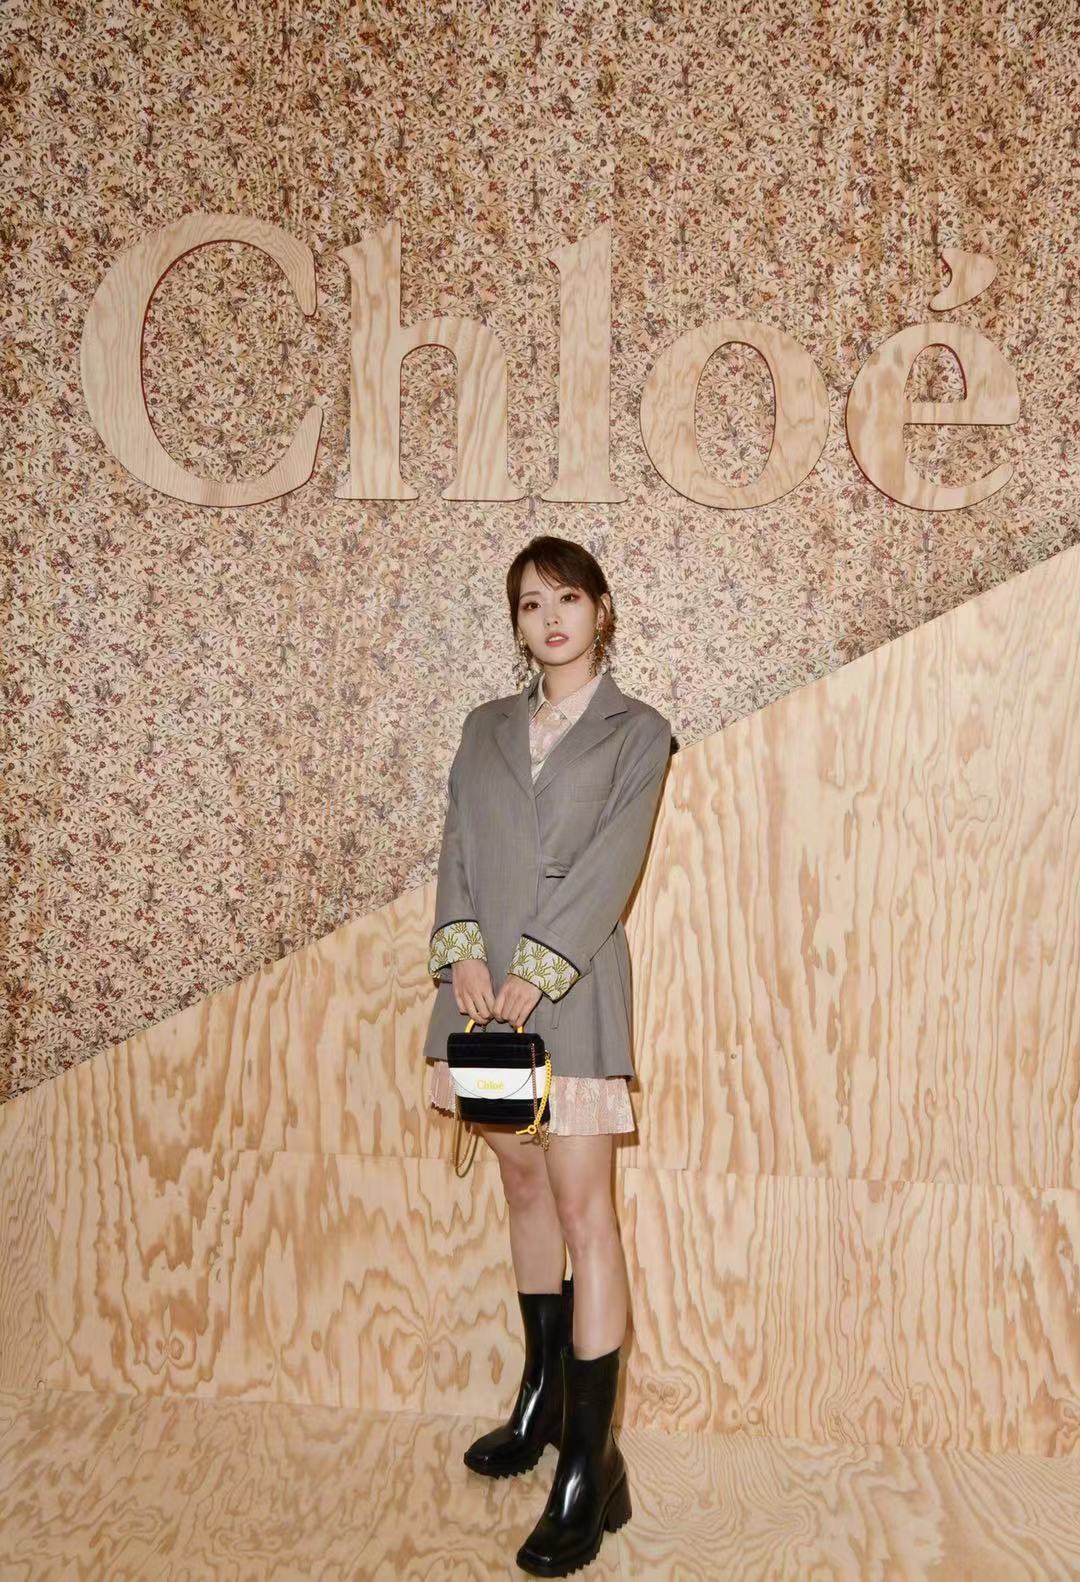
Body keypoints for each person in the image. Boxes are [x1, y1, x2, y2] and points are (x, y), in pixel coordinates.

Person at [421, 534, 673, 1577]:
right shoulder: (483, 726)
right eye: (531, 603)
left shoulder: (637, 731)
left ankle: (589, 1459)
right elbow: (458, 849)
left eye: (567, 597)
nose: (551, 618)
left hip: (571, 998)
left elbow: (614, 865)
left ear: (601, 610)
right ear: (517, 623)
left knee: (582, 1209)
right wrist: (462, 955)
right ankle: (538, 1398)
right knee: (521, 1191)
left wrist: (537, 965)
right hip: (481, 1005)